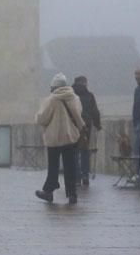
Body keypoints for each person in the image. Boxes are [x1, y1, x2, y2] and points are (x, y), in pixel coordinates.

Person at [34, 73, 84, 205]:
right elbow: (79, 114)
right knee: (70, 166)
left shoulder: (51, 99)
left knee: (53, 166)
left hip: (54, 138)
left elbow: (42, 118)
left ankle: (49, 191)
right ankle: (72, 194)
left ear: (53, 87)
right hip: (70, 137)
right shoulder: (75, 98)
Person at [72, 76, 102, 187]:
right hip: (86, 126)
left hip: (73, 125)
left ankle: (76, 177)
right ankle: (85, 176)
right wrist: (98, 125)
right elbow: (95, 112)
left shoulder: (70, 95)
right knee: (84, 150)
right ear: (85, 83)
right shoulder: (89, 96)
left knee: (74, 151)